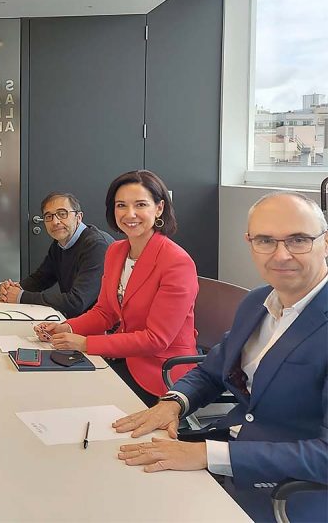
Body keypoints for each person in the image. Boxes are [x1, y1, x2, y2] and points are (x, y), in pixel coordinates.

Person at [113, 192, 327, 523]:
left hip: (288, 496)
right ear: (250, 243)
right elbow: (212, 370)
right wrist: (174, 403)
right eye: (265, 240)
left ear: (325, 242)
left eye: (298, 240)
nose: (281, 254)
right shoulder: (257, 302)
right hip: (229, 461)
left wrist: (208, 454)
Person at [34, 170, 198, 404]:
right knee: (52, 389)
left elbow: (156, 339)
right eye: (121, 205)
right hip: (122, 358)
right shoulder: (116, 251)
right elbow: (105, 312)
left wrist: (86, 343)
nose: (130, 214)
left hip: (161, 371)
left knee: (76, 401)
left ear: (159, 208)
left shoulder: (176, 262)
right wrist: (66, 327)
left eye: (140, 204)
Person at [0, 192, 113, 318]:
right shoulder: (61, 243)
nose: (55, 222)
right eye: (49, 216)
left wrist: (21, 296)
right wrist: (14, 288)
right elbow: (42, 278)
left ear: (79, 217)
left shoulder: (96, 246)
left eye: (62, 214)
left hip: (104, 326)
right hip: (79, 320)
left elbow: (76, 302)